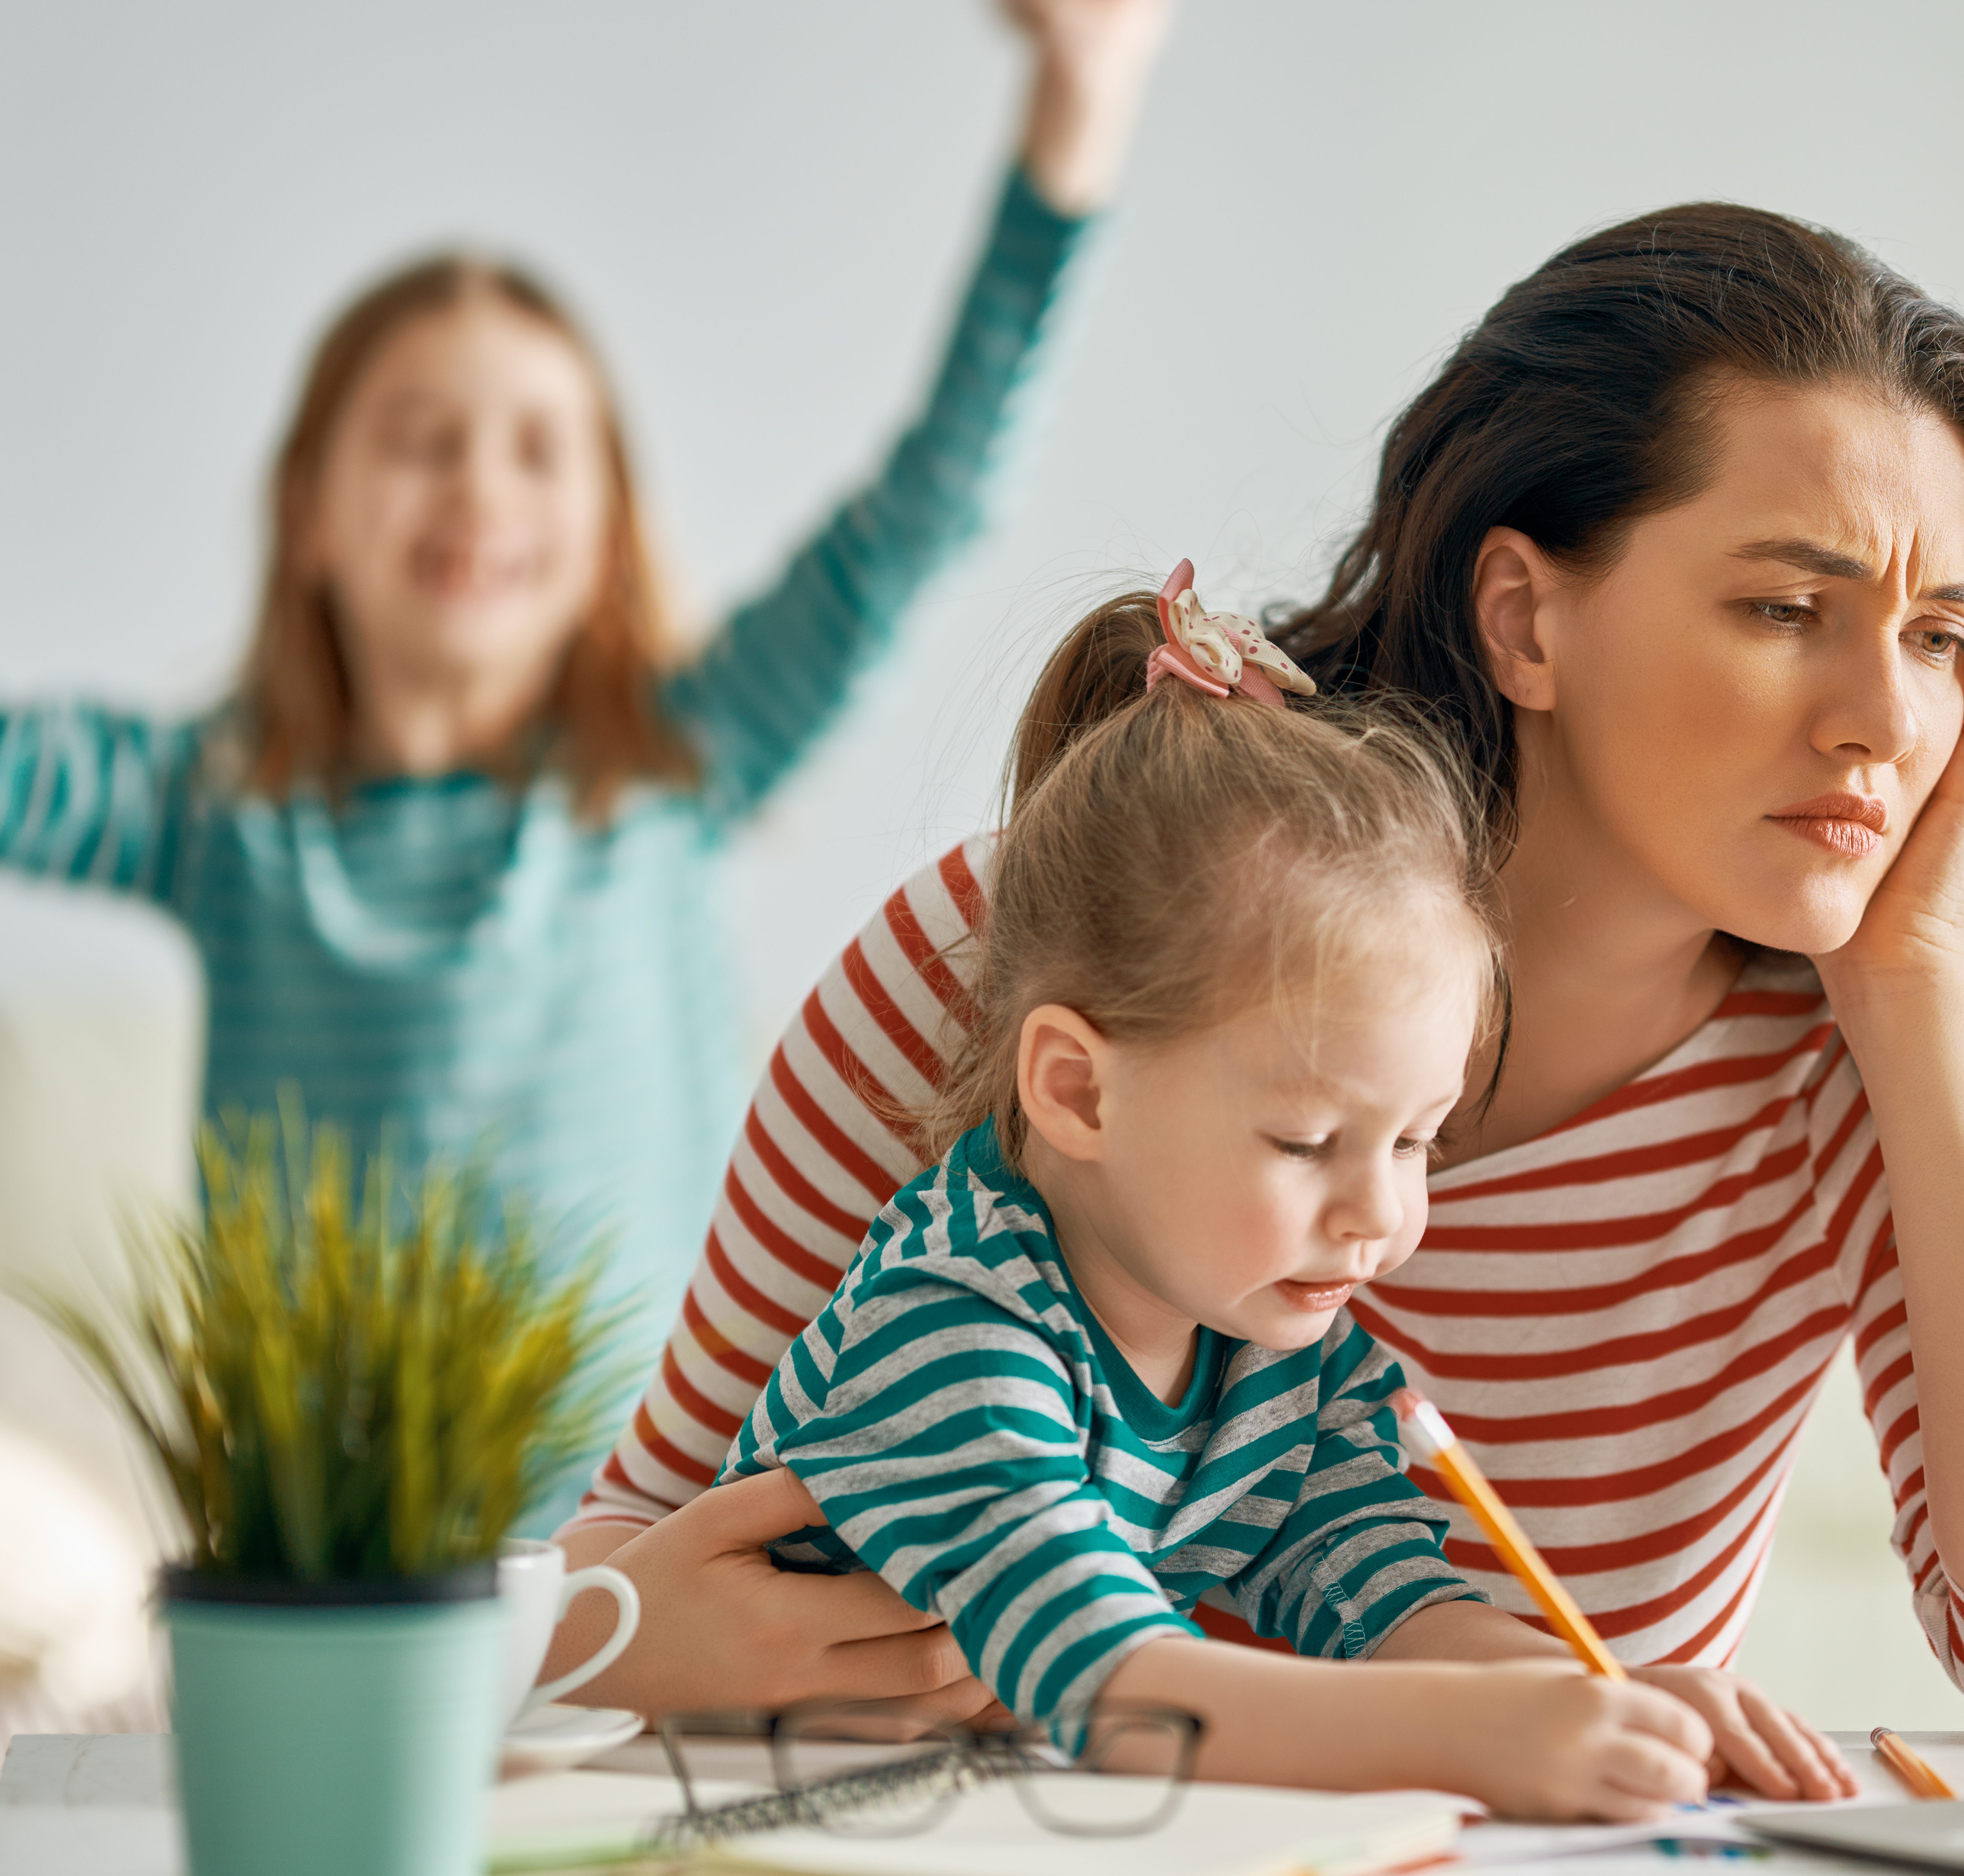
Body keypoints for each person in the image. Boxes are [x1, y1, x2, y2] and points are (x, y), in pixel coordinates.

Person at [560, 203, 1964, 1777]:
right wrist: (624, 1644)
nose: (1882, 716)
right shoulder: (1018, 958)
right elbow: (630, 1546)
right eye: (1785, 607)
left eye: (1941, 638)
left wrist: (1917, 990)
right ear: (1523, 619)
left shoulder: (1860, 1068)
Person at [0, 3, 1175, 1441]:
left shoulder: (670, 768)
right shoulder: (212, 813)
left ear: (607, 538)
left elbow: (935, 498)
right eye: (420, 441)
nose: (479, 484)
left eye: (539, 449)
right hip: (340, 1557)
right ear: (311, 518)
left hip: (653, 1541)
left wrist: (1076, 109)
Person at [715, 573, 1826, 1817]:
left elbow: (1394, 1608)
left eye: (1416, 1140)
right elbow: (1110, 1687)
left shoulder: (1266, 1338)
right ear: (1078, 1091)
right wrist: (1474, 1735)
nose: (1380, 1217)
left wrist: (1613, 1694)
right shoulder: (948, 1329)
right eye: (1307, 1142)